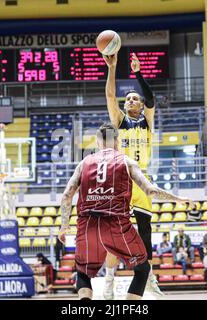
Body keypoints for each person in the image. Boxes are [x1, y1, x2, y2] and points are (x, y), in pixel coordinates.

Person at [57, 123, 190, 300]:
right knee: (142, 269)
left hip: (87, 224)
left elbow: (66, 195)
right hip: (116, 224)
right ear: (118, 141)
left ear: (98, 142)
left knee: (83, 272)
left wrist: (63, 226)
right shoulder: (127, 161)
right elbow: (150, 191)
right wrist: (177, 199)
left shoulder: (83, 163)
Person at [102, 53, 163, 297]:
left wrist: (138, 73)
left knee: (145, 232)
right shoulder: (119, 122)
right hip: (121, 181)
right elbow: (109, 95)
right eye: (127, 99)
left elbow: (151, 98)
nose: (130, 101)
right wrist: (113, 67)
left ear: (140, 105)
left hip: (142, 181)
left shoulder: (147, 121)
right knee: (116, 235)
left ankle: (148, 278)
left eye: (134, 99)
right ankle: (108, 280)